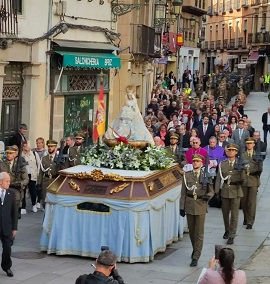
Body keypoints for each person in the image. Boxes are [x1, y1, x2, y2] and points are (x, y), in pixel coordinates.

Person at [180, 154, 214, 267]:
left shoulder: (205, 175)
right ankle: (196, 249)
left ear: (201, 163)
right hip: (189, 205)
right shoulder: (187, 175)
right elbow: (183, 193)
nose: (195, 163)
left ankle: (196, 255)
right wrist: (182, 207)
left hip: (200, 204)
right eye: (194, 161)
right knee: (192, 231)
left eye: (198, 161)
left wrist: (207, 196)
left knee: (199, 232)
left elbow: (211, 191)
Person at [215, 144, 245, 244]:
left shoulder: (240, 164)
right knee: (225, 214)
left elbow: (244, 179)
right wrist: (216, 192)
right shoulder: (222, 164)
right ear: (226, 152)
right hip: (225, 191)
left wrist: (242, 172)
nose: (231, 152)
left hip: (236, 191)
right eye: (229, 150)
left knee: (234, 215)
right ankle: (227, 230)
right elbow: (218, 179)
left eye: (233, 150)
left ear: (236, 152)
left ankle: (232, 235)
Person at [0, 146, 29, 219]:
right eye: (7, 153)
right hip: (4, 191)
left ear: (15, 154)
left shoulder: (20, 165)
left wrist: (20, 184)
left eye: (10, 153)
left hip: (16, 191)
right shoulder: (2, 165)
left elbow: (26, 179)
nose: (8, 155)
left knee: (14, 216)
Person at [241, 138, 263, 229]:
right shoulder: (242, 155)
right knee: (244, 202)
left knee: (252, 202)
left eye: (251, 143)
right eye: (247, 143)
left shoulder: (257, 155)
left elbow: (260, 168)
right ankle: (246, 217)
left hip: (254, 180)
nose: (249, 145)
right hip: (244, 181)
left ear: (254, 144)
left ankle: (250, 221)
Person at [37, 140, 65, 207]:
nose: (50, 148)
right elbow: (41, 172)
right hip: (46, 181)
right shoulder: (44, 158)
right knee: (45, 201)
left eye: (52, 146)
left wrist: (61, 164)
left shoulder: (59, 158)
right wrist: (38, 183)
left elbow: (63, 171)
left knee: (54, 201)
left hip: (55, 180)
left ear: (55, 147)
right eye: (49, 146)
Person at [0, 172, 18, 278]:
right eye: (6, 181)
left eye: (9, 181)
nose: (9, 183)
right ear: (0, 182)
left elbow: (14, 212)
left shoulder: (11, 193)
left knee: (7, 248)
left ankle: (6, 267)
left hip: (7, 226)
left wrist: (14, 227)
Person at [21, 141, 41, 213]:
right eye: (24, 146)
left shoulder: (34, 154)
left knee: (33, 190)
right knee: (23, 191)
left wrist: (38, 173)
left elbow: (39, 164)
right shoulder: (21, 155)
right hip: (24, 175)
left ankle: (34, 204)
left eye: (26, 146)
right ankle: (23, 207)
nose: (25, 147)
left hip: (32, 174)